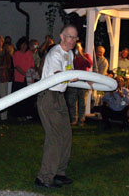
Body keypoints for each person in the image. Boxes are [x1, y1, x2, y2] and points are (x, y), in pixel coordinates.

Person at [35, 24, 79, 189]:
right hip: (48, 96)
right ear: (62, 36)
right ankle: (44, 177)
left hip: (60, 97)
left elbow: (71, 74)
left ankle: (60, 173)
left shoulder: (70, 54)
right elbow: (58, 76)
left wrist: (84, 79)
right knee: (55, 137)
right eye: (69, 36)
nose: (72, 40)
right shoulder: (55, 53)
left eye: (75, 37)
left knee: (66, 135)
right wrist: (71, 76)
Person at [65, 41, 93, 126]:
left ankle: (81, 119)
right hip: (74, 81)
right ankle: (74, 118)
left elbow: (89, 64)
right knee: (72, 101)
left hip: (83, 81)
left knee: (82, 101)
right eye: (75, 47)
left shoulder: (86, 56)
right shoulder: (71, 57)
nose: (77, 48)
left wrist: (81, 55)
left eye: (78, 47)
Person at [12, 37, 35, 120]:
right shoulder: (16, 54)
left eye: (26, 44)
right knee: (19, 97)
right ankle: (19, 115)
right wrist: (24, 74)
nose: (24, 46)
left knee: (28, 97)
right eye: (23, 44)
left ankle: (27, 114)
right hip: (19, 78)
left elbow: (32, 64)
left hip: (28, 79)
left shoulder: (29, 53)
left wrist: (30, 74)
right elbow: (17, 66)